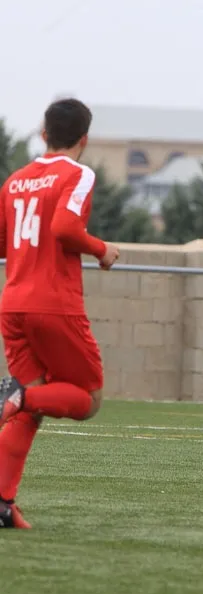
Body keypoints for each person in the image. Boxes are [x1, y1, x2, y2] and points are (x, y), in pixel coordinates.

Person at [0, 98, 121, 528]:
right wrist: (102, 250)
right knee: (87, 400)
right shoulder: (78, 174)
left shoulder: (15, 181)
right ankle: (14, 396)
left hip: (13, 304)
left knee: (29, 412)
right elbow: (65, 228)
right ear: (84, 139)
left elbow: (4, 244)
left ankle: (2, 503)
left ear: (44, 134)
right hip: (53, 305)